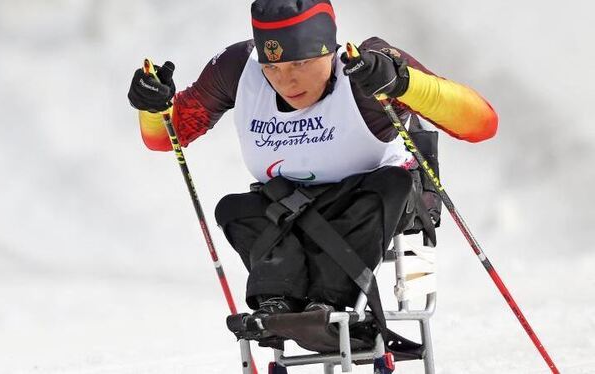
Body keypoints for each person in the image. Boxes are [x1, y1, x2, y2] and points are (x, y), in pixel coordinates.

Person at [128, 0, 497, 318]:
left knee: (389, 186)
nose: (285, 81)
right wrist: (152, 105)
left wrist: (403, 83)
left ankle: (330, 306)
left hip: (374, 201)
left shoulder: (364, 70)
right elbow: (167, 136)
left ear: (327, 49)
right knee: (233, 208)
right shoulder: (238, 68)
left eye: (300, 63)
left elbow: (482, 124)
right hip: (293, 207)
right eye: (272, 68)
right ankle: (279, 304)